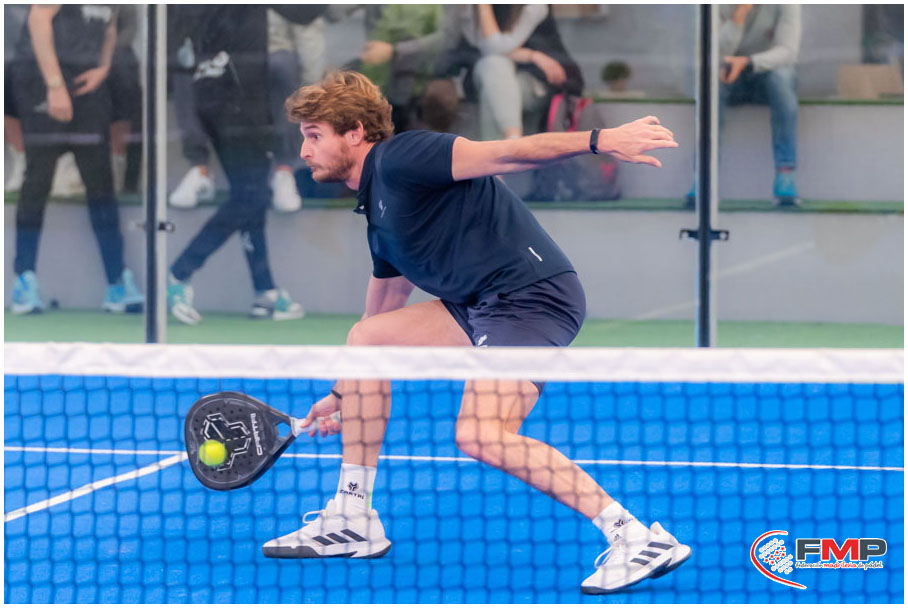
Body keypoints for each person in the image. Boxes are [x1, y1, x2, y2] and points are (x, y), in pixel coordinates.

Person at [262, 71, 690, 594]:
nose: (304, 150)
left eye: (314, 135)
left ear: (354, 133)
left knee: (480, 433)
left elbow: (508, 154)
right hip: (479, 303)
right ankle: (353, 518)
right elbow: (382, 310)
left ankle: (636, 538)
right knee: (367, 340)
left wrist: (600, 140)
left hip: (530, 296)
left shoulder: (405, 157)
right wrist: (343, 392)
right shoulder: (379, 207)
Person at [165, 6, 314, 325]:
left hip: (214, 96)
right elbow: (307, 11)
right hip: (237, 103)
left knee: (251, 197)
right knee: (252, 197)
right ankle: (180, 272)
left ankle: (265, 290)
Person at [10, 4, 143, 315]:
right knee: (38, 180)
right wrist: (54, 85)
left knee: (101, 185)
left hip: (88, 84)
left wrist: (103, 67)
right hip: (43, 81)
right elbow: (38, 17)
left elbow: (110, 27)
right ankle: (24, 282)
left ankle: (117, 283)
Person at [716, 4, 802, 206]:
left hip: (768, 75)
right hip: (731, 76)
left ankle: (785, 174)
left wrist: (748, 62)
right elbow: (715, 51)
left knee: (781, 78)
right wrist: (738, 17)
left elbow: (787, 51)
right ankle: (703, 175)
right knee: (710, 86)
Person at [464, 4, 583, 140]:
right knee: (493, 67)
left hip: (536, 81)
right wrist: (530, 55)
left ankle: (508, 143)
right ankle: (514, 141)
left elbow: (492, 46)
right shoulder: (468, 8)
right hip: (492, 76)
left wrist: (484, 7)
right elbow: (488, 47)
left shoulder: (534, 6)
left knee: (493, 85)